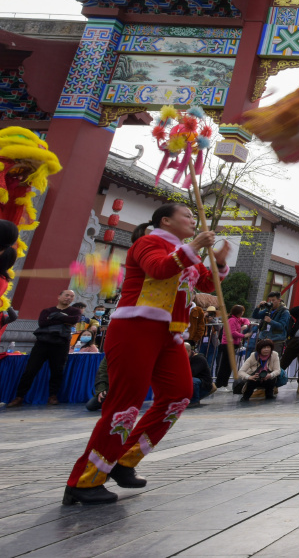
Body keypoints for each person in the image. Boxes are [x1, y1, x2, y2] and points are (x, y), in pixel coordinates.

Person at [63, 202, 230, 505]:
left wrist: (217, 263)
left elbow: (207, 282)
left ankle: (124, 460)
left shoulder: (185, 252)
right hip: (135, 329)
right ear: (165, 221)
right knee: (125, 403)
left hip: (170, 334)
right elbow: (158, 268)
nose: (194, 220)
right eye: (187, 216)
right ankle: (85, 480)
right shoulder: (148, 243)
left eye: (194, 217)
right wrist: (193, 247)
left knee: (179, 395)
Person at [7, 289, 81, 407]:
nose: (69, 298)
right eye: (67, 295)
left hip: (61, 344)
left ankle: (53, 396)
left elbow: (73, 320)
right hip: (42, 343)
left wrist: (55, 318)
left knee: (57, 371)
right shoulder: (47, 310)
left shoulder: (74, 311)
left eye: (72, 296)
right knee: (30, 370)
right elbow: (42, 323)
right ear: (59, 296)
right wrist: (63, 319)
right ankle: (19, 396)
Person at [216, 305, 251, 390]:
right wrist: (244, 335)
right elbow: (232, 332)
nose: (243, 313)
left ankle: (224, 383)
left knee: (229, 365)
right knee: (225, 365)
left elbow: (246, 320)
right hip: (228, 344)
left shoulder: (237, 319)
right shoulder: (232, 320)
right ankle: (220, 384)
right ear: (239, 312)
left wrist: (246, 325)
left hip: (232, 344)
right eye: (242, 311)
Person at [186, 341, 213, 406]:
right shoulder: (185, 359)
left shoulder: (199, 359)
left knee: (192, 380)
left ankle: (194, 401)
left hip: (204, 385)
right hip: (193, 384)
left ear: (189, 351)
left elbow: (192, 373)